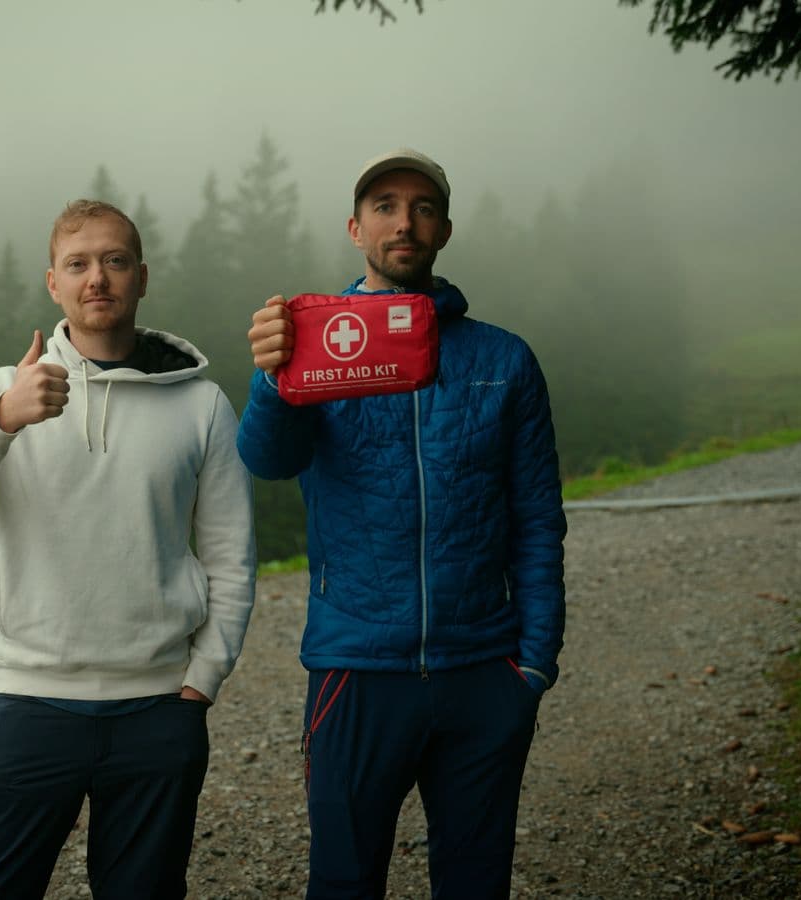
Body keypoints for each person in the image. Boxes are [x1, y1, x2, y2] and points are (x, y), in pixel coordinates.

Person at [235, 148, 566, 899]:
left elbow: (539, 519)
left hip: (483, 668)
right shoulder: (316, 341)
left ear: (444, 229)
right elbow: (268, 460)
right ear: (356, 228)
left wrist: (534, 663)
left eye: (421, 207)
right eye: (384, 205)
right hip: (356, 667)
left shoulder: (504, 360)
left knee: (475, 883)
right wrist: (272, 375)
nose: (404, 221)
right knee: (345, 884)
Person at [0, 199, 256, 900]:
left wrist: (204, 679)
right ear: (53, 284)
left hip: (159, 711)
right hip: (28, 704)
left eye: (114, 260)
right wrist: (3, 418)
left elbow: (231, 555)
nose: (97, 277)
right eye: (78, 264)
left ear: (141, 277)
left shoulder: (203, 405)